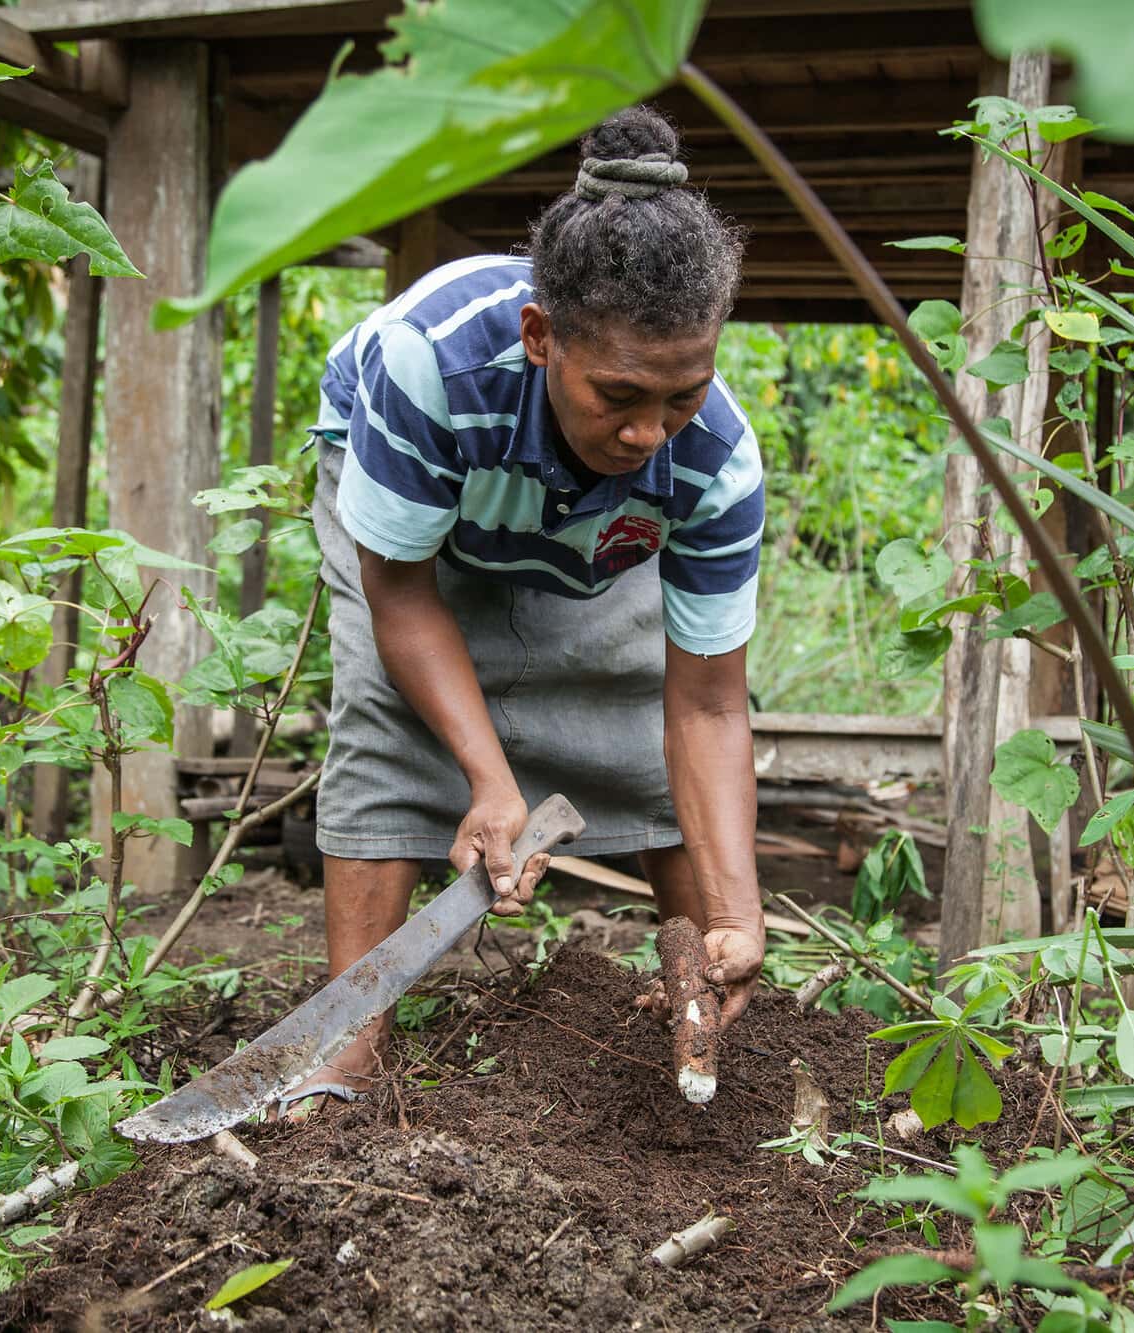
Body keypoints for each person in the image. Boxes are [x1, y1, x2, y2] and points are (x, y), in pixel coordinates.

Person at [294, 105, 766, 1103]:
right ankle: (349, 1045)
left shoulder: (713, 459)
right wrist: (486, 777)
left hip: (587, 529)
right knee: (387, 721)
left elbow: (708, 701)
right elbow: (401, 589)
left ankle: (704, 997)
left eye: (680, 396)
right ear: (541, 337)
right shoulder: (431, 366)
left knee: (643, 717)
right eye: (621, 395)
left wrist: (741, 904)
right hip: (416, 520)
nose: (649, 433)